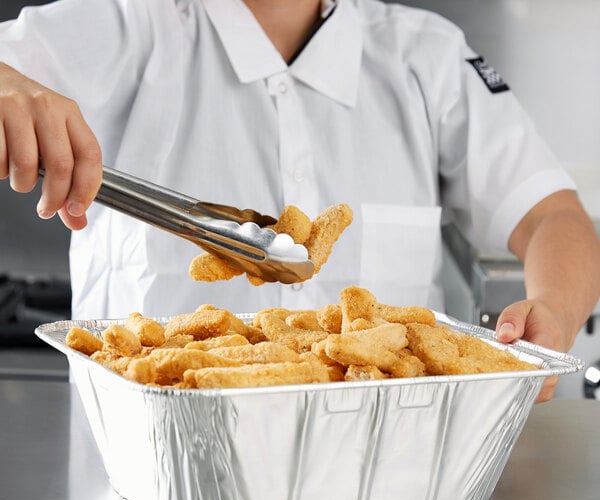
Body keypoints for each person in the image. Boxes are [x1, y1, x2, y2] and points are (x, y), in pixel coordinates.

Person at [0, 0, 599, 402]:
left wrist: (555, 311)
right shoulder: (125, 24)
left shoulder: (427, 56)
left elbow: (553, 214)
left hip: (393, 489)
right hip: (159, 497)